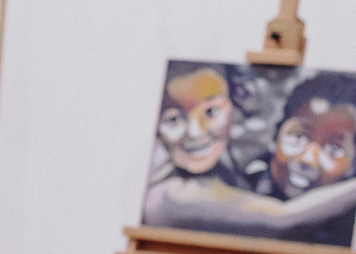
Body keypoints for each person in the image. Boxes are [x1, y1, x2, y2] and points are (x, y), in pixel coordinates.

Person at [144, 68, 356, 244]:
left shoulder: (235, 171)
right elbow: (281, 217)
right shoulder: (169, 193)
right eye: (173, 119)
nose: (195, 132)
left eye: (211, 112)